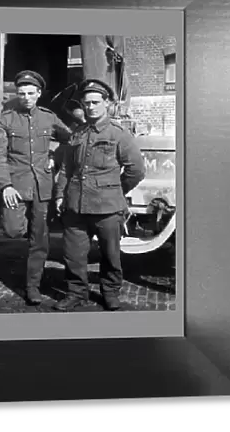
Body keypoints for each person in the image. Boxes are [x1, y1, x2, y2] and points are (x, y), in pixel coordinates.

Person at [53, 79, 146, 312]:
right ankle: (76, 293)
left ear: (107, 103)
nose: (91, 107)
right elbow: (66, 169)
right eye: (87, 103)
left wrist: (115, 189)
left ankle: (110, 293)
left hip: (107, 207)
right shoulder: (77, 134)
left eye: (96, 102)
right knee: (73, 255)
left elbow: (136, 169)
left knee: (110, 255)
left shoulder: (119, 134)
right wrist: (59, 196)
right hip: (75, 207)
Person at [0, 70, 74, 305]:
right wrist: (5, 185)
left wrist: (55, 157)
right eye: (21, 93)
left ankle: (32, 287)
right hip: (15, 186)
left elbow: (72, 140)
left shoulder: (48, 117)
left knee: (40, 239)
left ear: (38, 94)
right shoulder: (5, 120)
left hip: (42, 187)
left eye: (30, 93)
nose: (26, 97)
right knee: (13, 230)